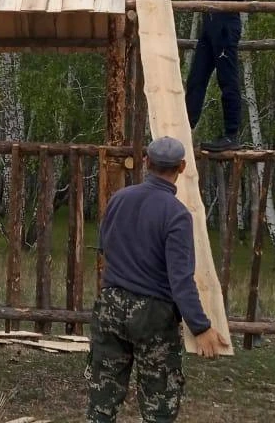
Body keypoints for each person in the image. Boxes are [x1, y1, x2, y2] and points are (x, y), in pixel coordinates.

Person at [86, 136, 229, 423]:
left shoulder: (119, 199)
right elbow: (180, 280)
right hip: (152, 314)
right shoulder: (176, 214)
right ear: (182, 166)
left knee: (103, 396)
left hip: (110, 305)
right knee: (158, 402)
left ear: (145, 162)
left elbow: (104, 247)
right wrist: (201, 327)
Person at [183, 0, 261, 152]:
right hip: (211, 24)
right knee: (197, 77)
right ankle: (185, 127)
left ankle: (230, 135)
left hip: (225, 24)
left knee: (227, 79)